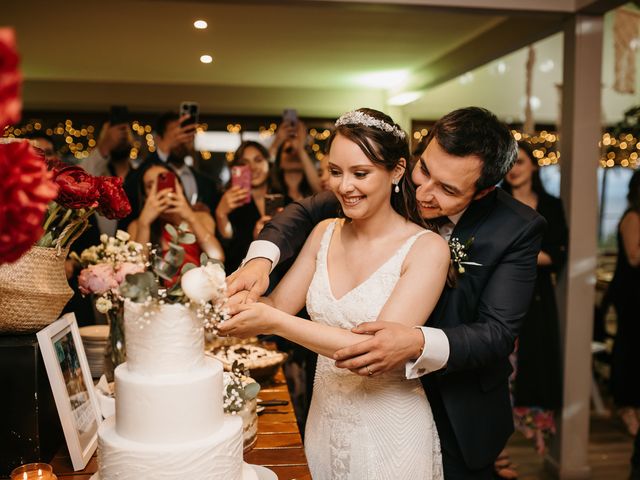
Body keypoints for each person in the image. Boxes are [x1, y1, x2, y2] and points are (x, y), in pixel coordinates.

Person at [227, 106, 546, 478]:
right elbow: (302, 213)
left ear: (483, 190)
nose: (423, 192)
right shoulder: (384, 178)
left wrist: (416, 342)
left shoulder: (515, 228)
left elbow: (496, 333)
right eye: (424, 170)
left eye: (447, 189)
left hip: (454, 401)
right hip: (334, 405)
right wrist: (259, 262)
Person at [220, 108, 450, 479]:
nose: (344, 186)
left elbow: (372, 351)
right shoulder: (324, 232)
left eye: (361, 174)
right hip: (324, 418)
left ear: (396, 171)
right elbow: (277, 305)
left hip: (390, 429)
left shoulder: (426, 249)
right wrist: (235, 301)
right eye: (336, 171)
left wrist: (275, 322)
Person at [498, 140, 568, 476]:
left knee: (533, 365)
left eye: (521, 162)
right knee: (497, 367)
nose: (515, 168)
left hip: (536, 298)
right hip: (497, 294)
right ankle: (496, 448)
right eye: (510, 162)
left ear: (534, 166)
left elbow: (557, 255)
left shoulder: (551, 206)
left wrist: (509, 255)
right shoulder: (495, 202)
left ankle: (528, 436)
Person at [127, 162, 223, 268]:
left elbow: (217, 258)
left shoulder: (201, 217)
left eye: (163, 181)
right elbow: (135, 273)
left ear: (179, 186)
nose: (158, 190)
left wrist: (190, 217)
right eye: (150, 186)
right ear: (145, 196)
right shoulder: (137, 226)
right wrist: (144, 224)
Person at [215, 141, 285, 274]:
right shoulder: (226, 201)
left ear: (268, 163)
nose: (252, 167)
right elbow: (227, 254)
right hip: (238, 276)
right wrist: (221, 214)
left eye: (258, 160)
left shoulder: (284, 200)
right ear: (235, 169)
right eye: (244, 163)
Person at [609, 169, 640, 437]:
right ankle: (626, 405)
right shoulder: (633, 217)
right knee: (629, 346)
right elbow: (633, 256)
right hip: (631, 293)